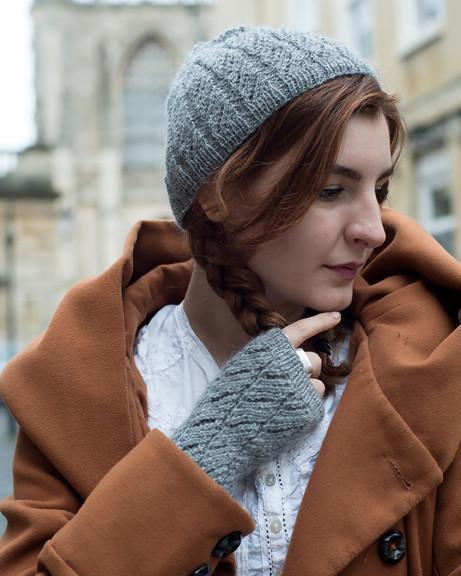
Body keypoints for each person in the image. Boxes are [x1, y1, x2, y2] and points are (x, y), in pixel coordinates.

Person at [1, 25, 461, 576]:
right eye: (331, 191)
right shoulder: (75, 390)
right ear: (217, 195)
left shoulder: (431, 368)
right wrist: (214, 445)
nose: (373, 229)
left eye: (379, 191)